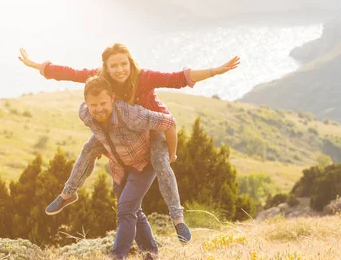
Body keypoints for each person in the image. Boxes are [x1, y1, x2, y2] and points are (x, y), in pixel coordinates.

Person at [19, 43, 240, 243]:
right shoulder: (100, 78)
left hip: (153, 127)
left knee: (161, 164)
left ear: (130, 62)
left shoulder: (144, 77)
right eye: (113, 65)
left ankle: (178, 220)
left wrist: (216, 70)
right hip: (119, 128)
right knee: (88, 149)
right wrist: (36, 65)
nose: (119, 69)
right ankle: (68, 194)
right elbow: (68, 73)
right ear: (106, 66)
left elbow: (179, 78)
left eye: (123, 63)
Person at [77, 75, 175, 260]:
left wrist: (171, 154)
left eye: (103, 103)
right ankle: (151, 255)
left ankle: (117, 259)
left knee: (125, 210)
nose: (98, 108)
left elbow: (169, 121)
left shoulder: (130, 114)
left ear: (112, 98)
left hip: (144, 163)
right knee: (133, 211)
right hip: (121, 167)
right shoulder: (86, 114)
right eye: (93, 105)